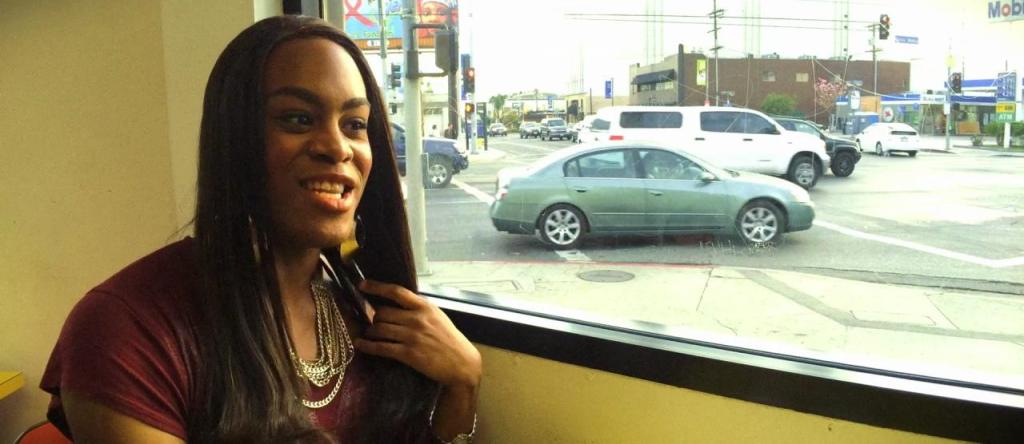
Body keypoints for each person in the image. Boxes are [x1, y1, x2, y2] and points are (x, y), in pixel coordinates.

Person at [40, 15, 481, 444]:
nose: (337, 147)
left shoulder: (365, 309)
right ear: (234, 139)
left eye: (354, 125)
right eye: (298, 119)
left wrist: (463, 383)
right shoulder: (126, 327)